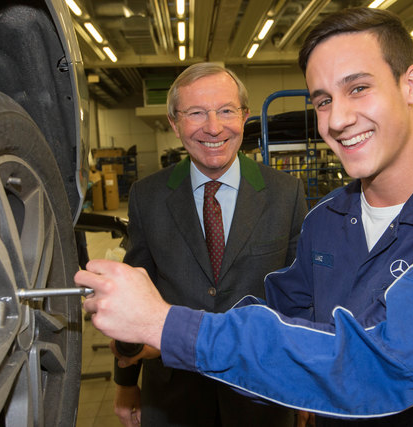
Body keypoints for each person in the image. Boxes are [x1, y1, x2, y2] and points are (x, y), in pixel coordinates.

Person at [77, 8, 413, 426]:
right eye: (322, 100)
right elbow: (275, 316)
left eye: (358, 88)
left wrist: (167, 325)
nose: (337, 119)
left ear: (412, 84)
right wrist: (151, 334)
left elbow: (385, 368)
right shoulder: (328, 219)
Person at [109, 62, 306, 427]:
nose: (213, 127)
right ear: (174, 122)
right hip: (173, 393)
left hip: (261, 390)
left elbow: (299, 299)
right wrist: (124, 383)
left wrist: (307, 384)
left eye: (226, 111)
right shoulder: (147, 197)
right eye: (196, 113)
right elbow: (133, 296)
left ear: (245, 116)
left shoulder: (285, 194)